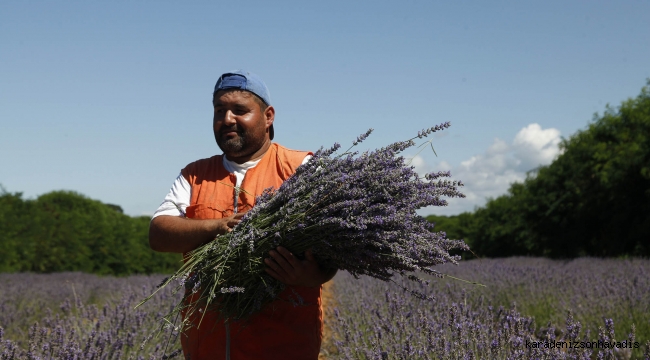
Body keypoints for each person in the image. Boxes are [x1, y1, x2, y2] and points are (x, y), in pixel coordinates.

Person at [149, 70, 337, 360]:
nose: (227, 120)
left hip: (282, 347)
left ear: (268, 116)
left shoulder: (302, 168)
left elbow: (336, 244)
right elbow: (159, 233)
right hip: (207, 347)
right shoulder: (194, 175)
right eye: (219, 111)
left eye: (239, 110)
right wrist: (217, 226)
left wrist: (314, 275)